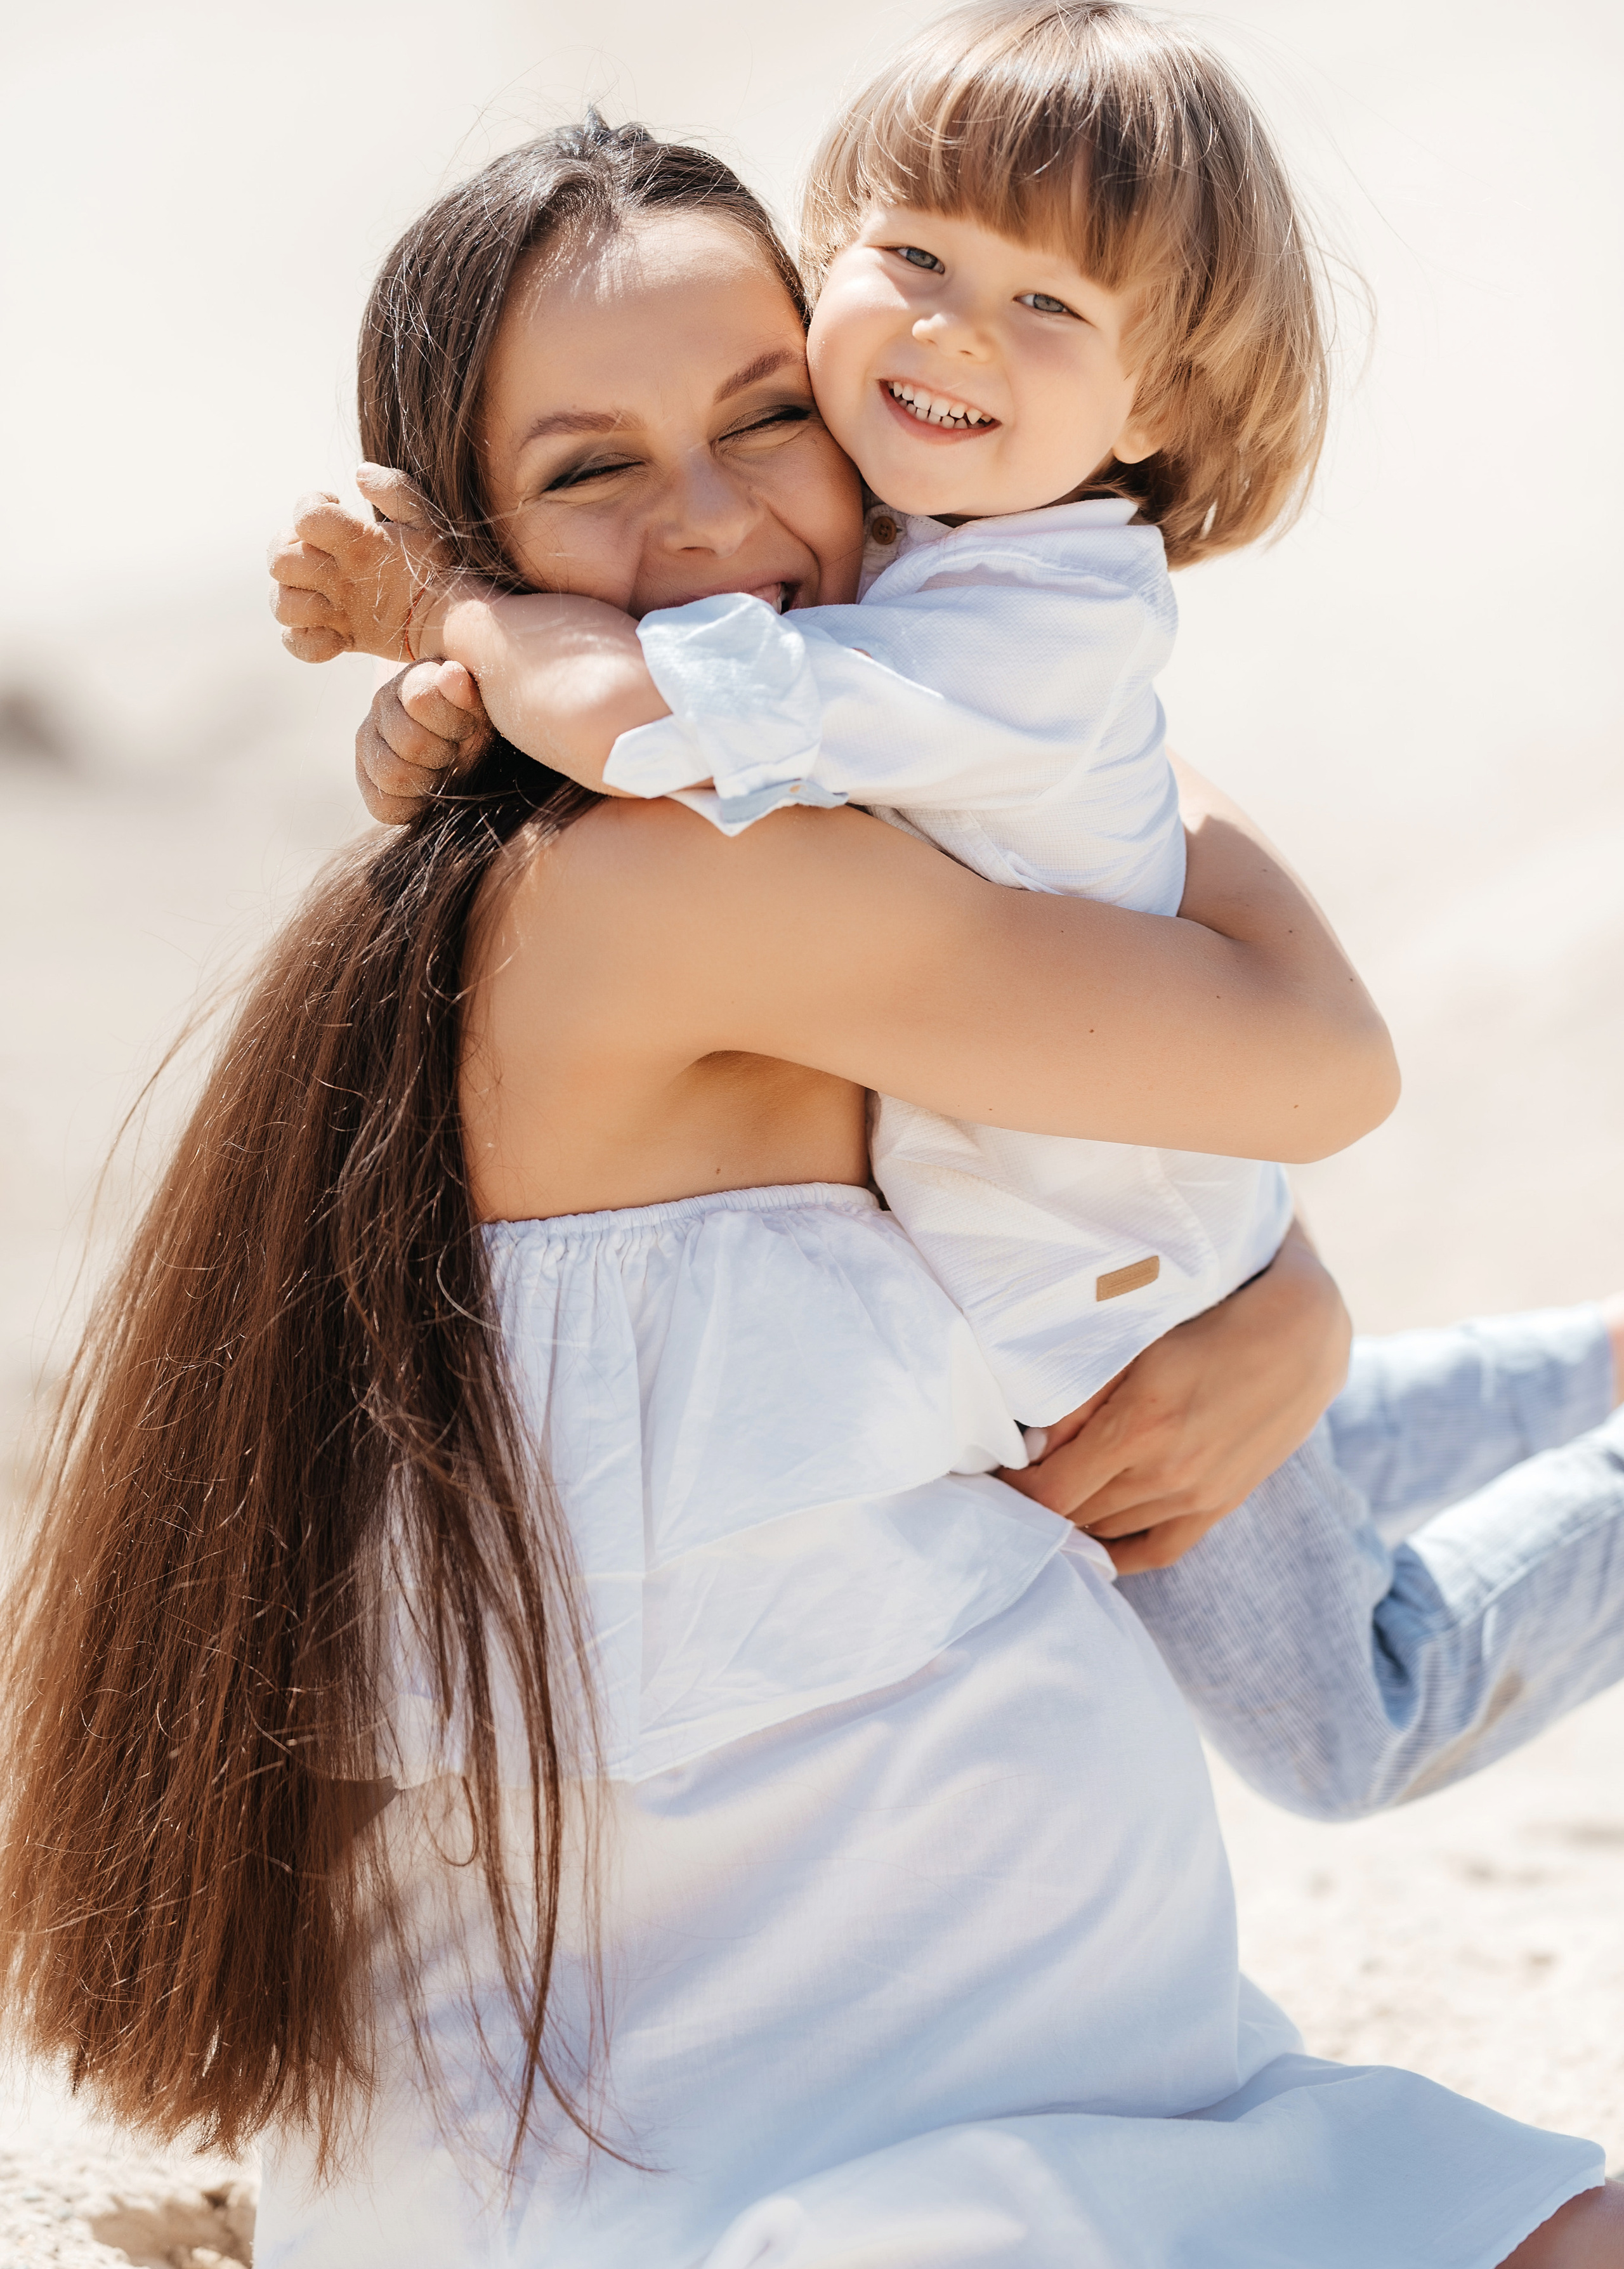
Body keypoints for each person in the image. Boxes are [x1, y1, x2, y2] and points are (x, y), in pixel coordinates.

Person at [208, 107, 1624, 2269]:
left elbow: (1118, 1114)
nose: (704, 527)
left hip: (1051, 2065)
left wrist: (1299, 1316)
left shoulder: (835, 804)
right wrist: (482, 631)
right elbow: (1306, 1050)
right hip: (763, 2175)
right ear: (482, 541)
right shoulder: (691, 876)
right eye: (592, 472)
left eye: (764, 417)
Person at [288, 0, 1624, 1826]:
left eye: (1048, 308)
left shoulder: (994, 629)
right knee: (1307, 1455)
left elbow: (642, 714)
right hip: (1099, 1290)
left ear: (1151, 402)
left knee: (1353, 1722)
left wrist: (446, 602)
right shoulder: (930, 552)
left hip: (1099, 1300)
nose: (950, 333)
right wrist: (433, 715)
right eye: (913, 257)